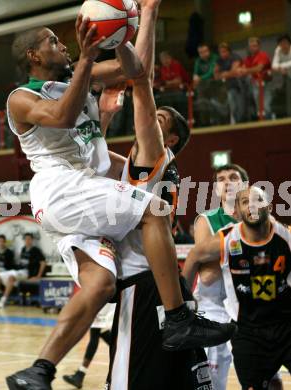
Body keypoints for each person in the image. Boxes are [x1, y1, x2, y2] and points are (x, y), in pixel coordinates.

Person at [5, 15, 233, 390]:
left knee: (100, 284)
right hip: (61, 189)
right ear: (33, 54)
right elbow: (61, 117)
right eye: (52, 42)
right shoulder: (22, 96)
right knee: (152, 209)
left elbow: (137, 71)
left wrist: (125, 32)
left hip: (78, 194)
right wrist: (89, 58)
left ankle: (39, 370)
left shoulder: (85, 85)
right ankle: (176, 318)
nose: (63, 45)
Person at [105, 1, 213, 388]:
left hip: (143, 283)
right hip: (167, 289)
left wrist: (147, 12)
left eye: (158, 118)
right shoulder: (140, 164)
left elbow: (141, 80)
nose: (148, 116)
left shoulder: (154, 153)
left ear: (168, 138)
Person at [183, 186, 291, 390]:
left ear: (268, 206)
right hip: (248, 333)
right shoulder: (226, 239)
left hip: (286, 326)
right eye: (244, 202)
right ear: (237, 212)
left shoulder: (286, 237)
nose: (251, 205)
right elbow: (194, 255)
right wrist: (183, 301)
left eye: (257, 200)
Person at [192, 163, 248, 390]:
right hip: (213, 309)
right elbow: (207, 274)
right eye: (221, 179)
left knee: (266, 378)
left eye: (233, 177)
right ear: (216, 190)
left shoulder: (259, 220)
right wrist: (244, 245)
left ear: (245, 186)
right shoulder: (206, 219)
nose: (226, 182)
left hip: (248, 310)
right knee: (213, 385)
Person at [0, 233, 45, 308]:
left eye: (29, 239)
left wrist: (38, 276)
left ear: (32, 240)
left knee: (11, 277)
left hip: (26, 273)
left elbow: (43, 262)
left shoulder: (36, 250)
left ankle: (3, 300)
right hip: (18, 271)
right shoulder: (23, 249)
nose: (27, 240)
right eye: (26, 239)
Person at [62, 302, 114, 389]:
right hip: (106, 303)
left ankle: (80, 374)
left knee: (95, 333)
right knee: (101, 331)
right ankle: (129, 356)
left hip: (104, 303)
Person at [239, 37, 272, 119]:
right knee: (259, 108)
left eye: (255, 46)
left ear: (259, 46)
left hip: (266, 84)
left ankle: (270, 125)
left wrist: (246, 70)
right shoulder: (248, 59)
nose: (253, 48)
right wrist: (243, 70)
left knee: (266, 106)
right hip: (255, 84)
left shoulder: (263, 55)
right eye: (251, 46)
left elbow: (259, 68)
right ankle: (262, 125)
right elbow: (241, 70)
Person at [214, 42, 246, 123]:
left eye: (224, 51)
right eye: (221, 52)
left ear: (229, 51)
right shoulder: (219, 60)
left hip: (240, 85)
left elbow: (235, 71)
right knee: (233, 107)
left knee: (241, 107)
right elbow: (215, 75)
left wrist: (224, 74)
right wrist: (227, 74)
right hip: (228, 87)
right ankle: (234, 123)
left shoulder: (235, 57)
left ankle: (241, 123)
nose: (223, 54)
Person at [272, 34, 291, 117]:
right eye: (281, 43)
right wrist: (280, 68)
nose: (283, 45)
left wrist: (281, 67)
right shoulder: (278, 50)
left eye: (285, 43)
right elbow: (274, 65)